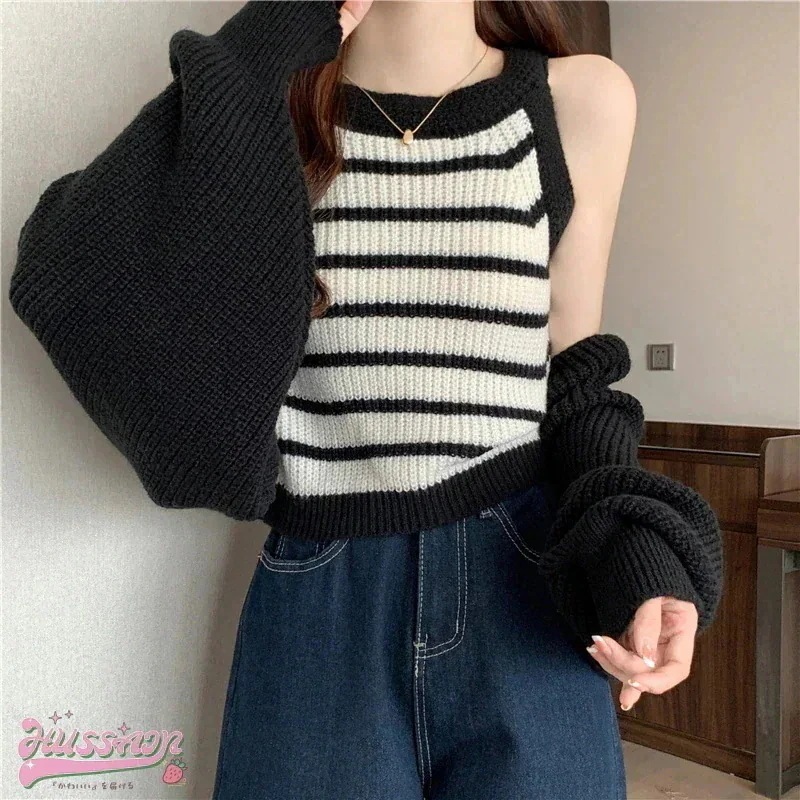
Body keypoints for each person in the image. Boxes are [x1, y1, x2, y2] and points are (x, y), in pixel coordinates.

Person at [9, 1, 723, 798]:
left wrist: (638, 558)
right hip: (322, 594)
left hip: (522, 578)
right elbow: (65, 276)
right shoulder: (267, 99)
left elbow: (575, 377)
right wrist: (273, 37)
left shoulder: (577, 100)